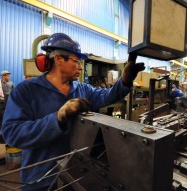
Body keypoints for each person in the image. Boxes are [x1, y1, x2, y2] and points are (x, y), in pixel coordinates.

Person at [2, 33, 145, 191]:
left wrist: (124, 81)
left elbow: (106, 96)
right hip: (40, 181)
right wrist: (57, 118)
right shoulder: (27, 91)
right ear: (58, 59)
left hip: (74, 177)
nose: (80, 67)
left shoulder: (82, 89)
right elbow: (12, 134)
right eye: (76, 61)